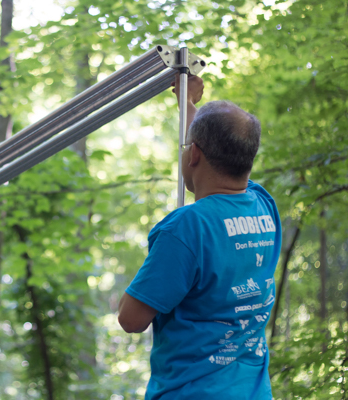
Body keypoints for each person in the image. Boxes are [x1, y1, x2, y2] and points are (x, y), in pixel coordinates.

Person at [118, 75, 281, 399]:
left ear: (193, 154)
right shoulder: (263, 206)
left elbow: (131, 319)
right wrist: (188, 105)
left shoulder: (186, 228)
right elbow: (225, 148)